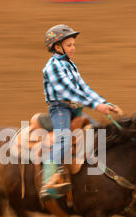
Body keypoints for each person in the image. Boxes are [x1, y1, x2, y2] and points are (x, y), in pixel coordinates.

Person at [40, 24, 122, 200]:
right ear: (57, 47)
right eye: (69, 45)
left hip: (75, 109)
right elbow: (69, 92)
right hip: (60, 108)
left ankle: (98, 175)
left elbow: (85, 88)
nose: (73, 48)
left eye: (73, 45)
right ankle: (48, 182)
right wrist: (96, 106)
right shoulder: (53, 67)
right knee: (64, 139)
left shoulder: (70, 65)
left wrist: (104, 102)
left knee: (100, 131)